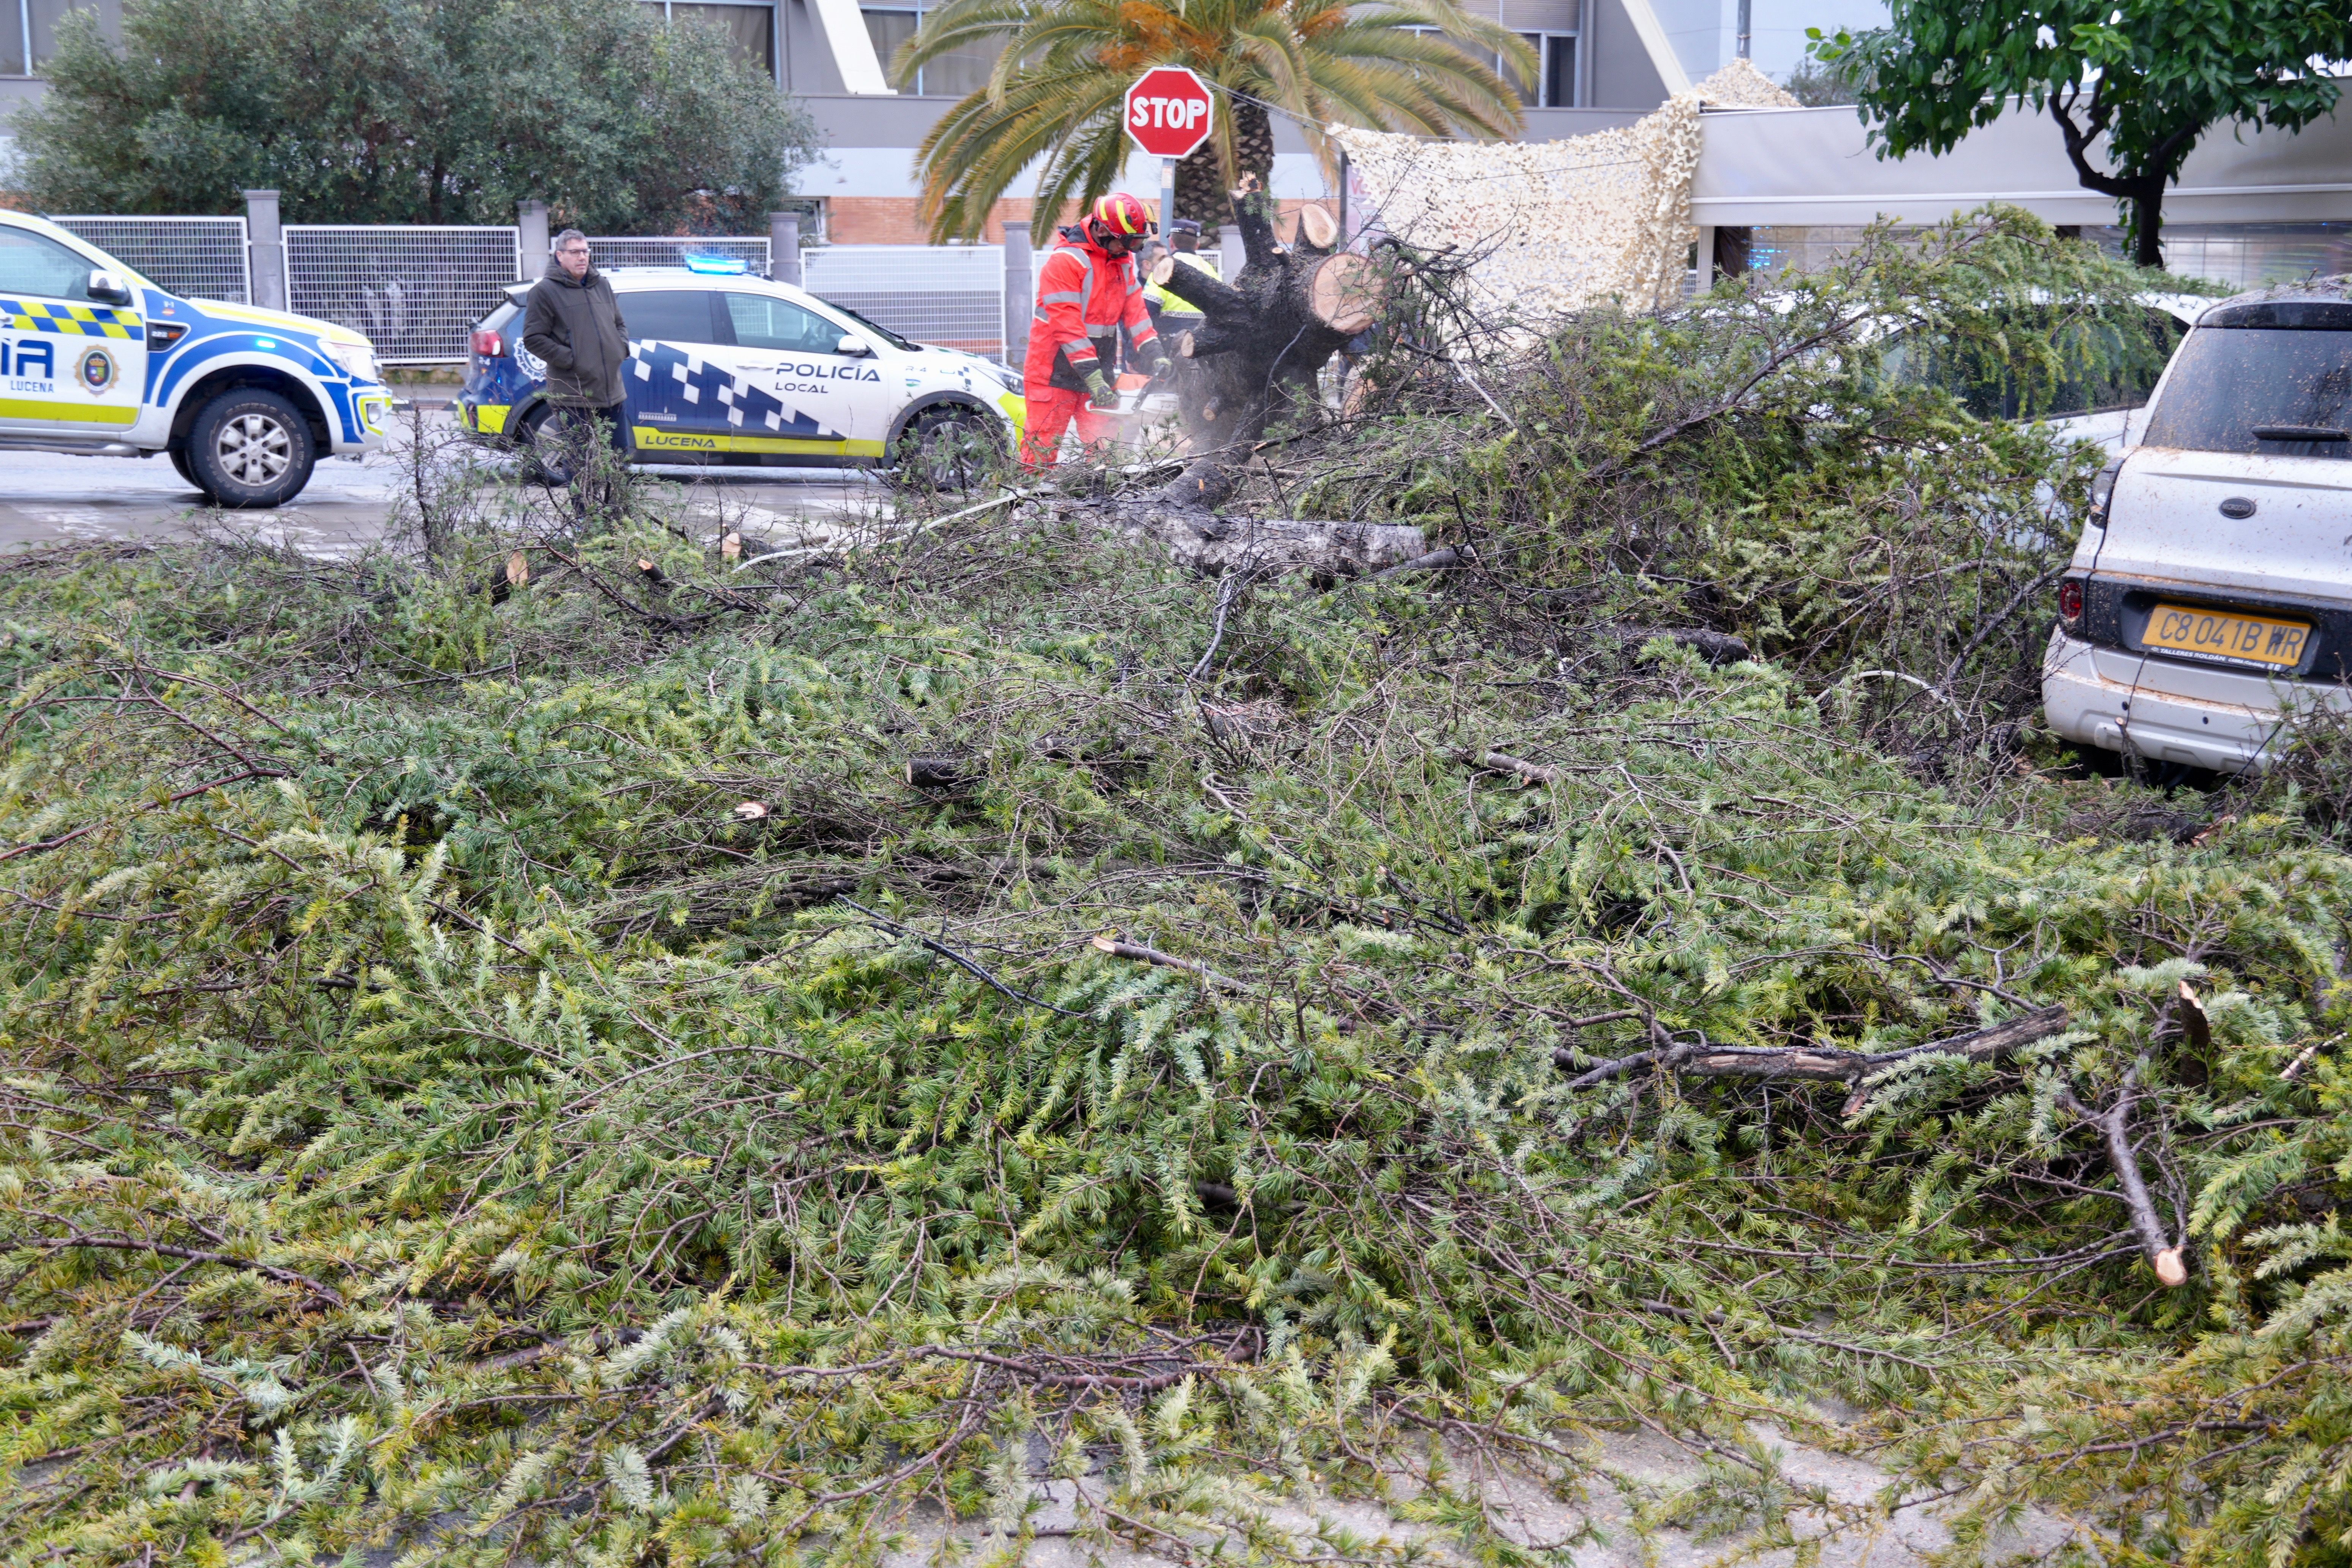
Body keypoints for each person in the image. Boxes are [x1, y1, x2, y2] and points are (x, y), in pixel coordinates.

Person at [1021, 193, 1169, 469]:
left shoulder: (1121, 260)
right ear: (1102, 230)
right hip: (1053, 372)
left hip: (1098, 371)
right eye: (1127, 241)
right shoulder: (1066, 262)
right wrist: (1095, 379)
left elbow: (1135, 312)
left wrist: (1154, 351)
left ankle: (1106, 507)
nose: (1131, 250)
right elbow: (1068, 326)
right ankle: (1028, 507)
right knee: (1042, 448)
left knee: (1107, 449)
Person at [522, 229, 632, 508]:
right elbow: (534, 339)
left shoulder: (602, 285)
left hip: (613, 392)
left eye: (585, 251)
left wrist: (621, 348)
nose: (582, 257)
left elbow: (619, 323)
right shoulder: (545, 292)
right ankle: (585, 522)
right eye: (575, 252)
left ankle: (618, 522)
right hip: (575, 394)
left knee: (619, 461)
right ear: (560, 256)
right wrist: (574, 360)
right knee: (579, 463)